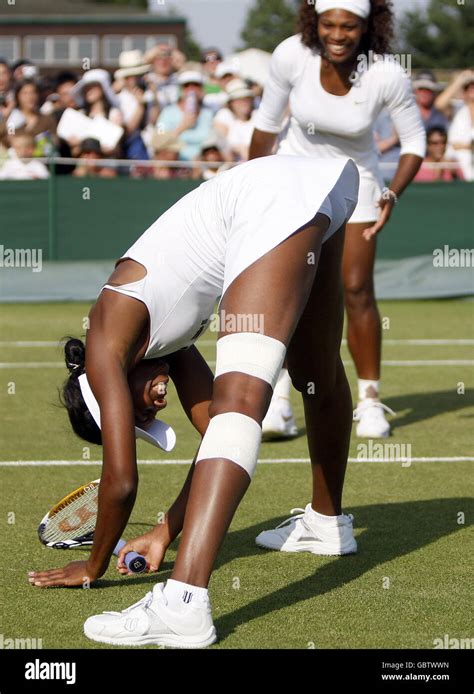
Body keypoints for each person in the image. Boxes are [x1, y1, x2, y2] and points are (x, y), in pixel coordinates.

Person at [29, 154, 359, 649]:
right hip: (323, 186)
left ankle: (183, 604)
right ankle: (327, 522)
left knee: (240, 398)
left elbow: (120, 481)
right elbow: (215, 436)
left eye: (139, 410)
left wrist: (92, 566)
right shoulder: (168, 347)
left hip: (272, 197)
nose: (155, 407)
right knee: (316, 373)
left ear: (107, 391)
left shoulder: (104, 342)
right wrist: (163, 532)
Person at [249, 0, 426, 440]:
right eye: (328, 24)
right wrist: (255, 187)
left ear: (367, 27)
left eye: (349, 26)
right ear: (315, 22)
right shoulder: (291, 54)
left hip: (359, 182)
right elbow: (266, 127)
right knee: (291, 291)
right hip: (294, 178)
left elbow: (415, 141)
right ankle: (280, 402)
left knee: (355, 289)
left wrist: (392, 194)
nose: (338, 34)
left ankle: (369, 402)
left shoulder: (386, 72)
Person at [156, 70, 214, 162]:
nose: (191, 90)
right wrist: (182, 127)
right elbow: (158, 139)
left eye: (196, 86)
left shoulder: (209, 114)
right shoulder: (166, 113)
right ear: (181, 90)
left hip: (202, 163)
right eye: (186, 86)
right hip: (176, 163)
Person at [3, 79, 57, 156]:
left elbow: (54, 141)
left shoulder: (47, 119)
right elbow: (6, 137)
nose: (30, 97)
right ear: (17, 96)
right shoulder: (11, 118)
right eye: (25, 93)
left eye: (33, 93)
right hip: (14, 163)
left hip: (40, 163)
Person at [214, 78, 257, 161]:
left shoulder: (257, 115)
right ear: (231, 102)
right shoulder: (223, 115)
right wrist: (240, 149)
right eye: (239, 99)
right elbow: (221, 144)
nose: (244, 102)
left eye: (247, 98)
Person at [448, 74, 474, 181]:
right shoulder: (456, 108)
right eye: (469, 88)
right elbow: (439, 104)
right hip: (457, 171)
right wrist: (460, 79)